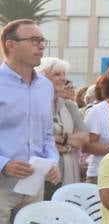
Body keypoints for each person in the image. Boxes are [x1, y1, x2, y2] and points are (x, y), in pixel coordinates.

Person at [0, 19, 60, 224]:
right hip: (1, 185)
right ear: (10, 44)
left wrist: (50, 160)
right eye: (33, 40)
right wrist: (4, 162)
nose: (40, 46)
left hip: (32, 187)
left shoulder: (44, 87)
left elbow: (47, 137)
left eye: (42, 40)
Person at [39, 57, 91, 190]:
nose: (63, 78)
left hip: (67, 171)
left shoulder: (69, 106)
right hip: (42, 173)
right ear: (42, 76)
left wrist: (61, 139)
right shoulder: (34, 103)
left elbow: (85, 138)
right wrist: (70, 141)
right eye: (57, 74)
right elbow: (34, 137)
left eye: (64, 74)